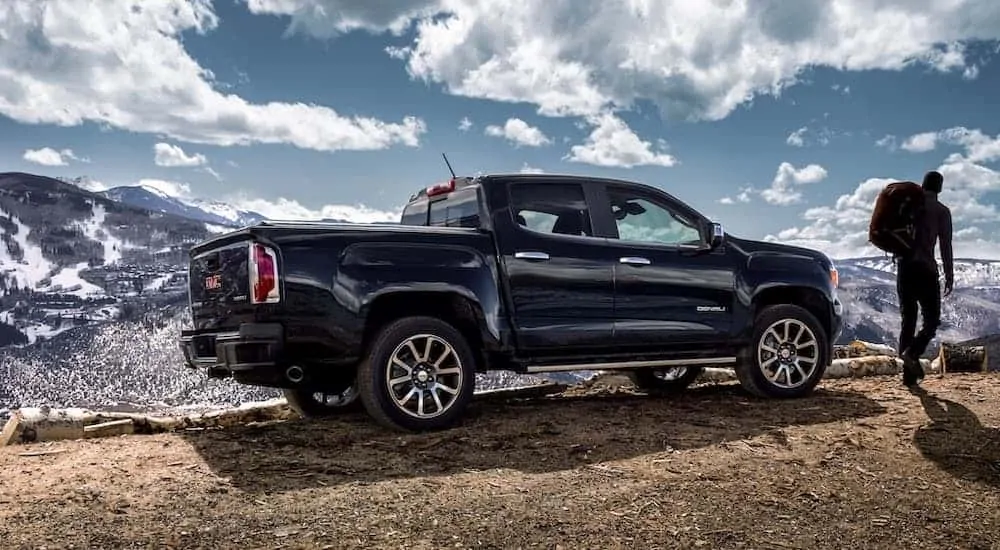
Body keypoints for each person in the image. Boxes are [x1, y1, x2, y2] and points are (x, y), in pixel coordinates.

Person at [898, 170, 954, 386]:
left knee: (908, 320)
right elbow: (945, 245)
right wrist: (949, 273)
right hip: (926, 269)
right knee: (931, 321)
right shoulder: (941, 211)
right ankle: (912, 353)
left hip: (904, 268)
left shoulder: (908, 207)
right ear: (939, 188)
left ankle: (908, 376)